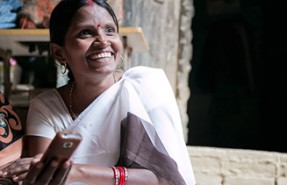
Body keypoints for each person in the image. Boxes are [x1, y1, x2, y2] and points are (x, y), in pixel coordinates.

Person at [0, 0, 196, 184]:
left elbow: (165, 177)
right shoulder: (46, 107)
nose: (103, 41)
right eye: (85, 33)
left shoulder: (146, 86)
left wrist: (78, 171)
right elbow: (46, 178)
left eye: (110, 30)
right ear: (59, 53)